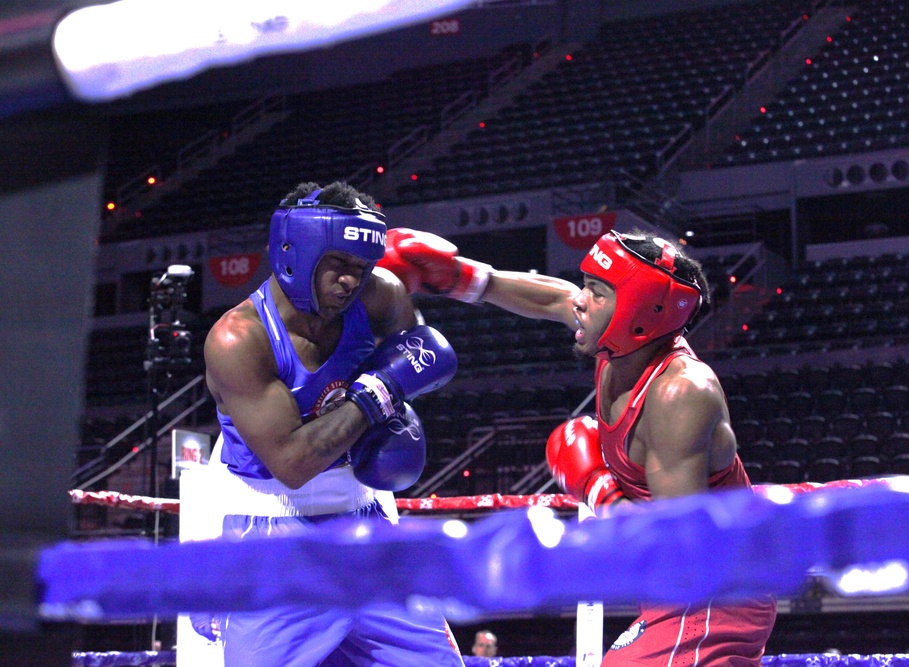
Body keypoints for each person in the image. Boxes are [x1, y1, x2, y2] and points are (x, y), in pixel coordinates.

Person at [378, 227, 777, 666]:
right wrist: (459, 277)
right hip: (681, 596)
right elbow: (552, 298)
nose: (581, 301)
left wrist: (595, 486)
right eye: (587, 285)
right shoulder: (621, 343)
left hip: (714, 592)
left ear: (638, 312)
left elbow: (676, 551)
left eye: (597, 293)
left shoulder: (678, 394)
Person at [201, 181, 465, 667]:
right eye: (339, 265)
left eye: (361, 269)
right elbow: (293, 463)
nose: (350, 282)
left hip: (364, 522)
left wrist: (395, 403)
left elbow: (415, 368)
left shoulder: (379, 298)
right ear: (294, 252)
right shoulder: (239, 339)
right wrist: (382, 392)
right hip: (274, 536)